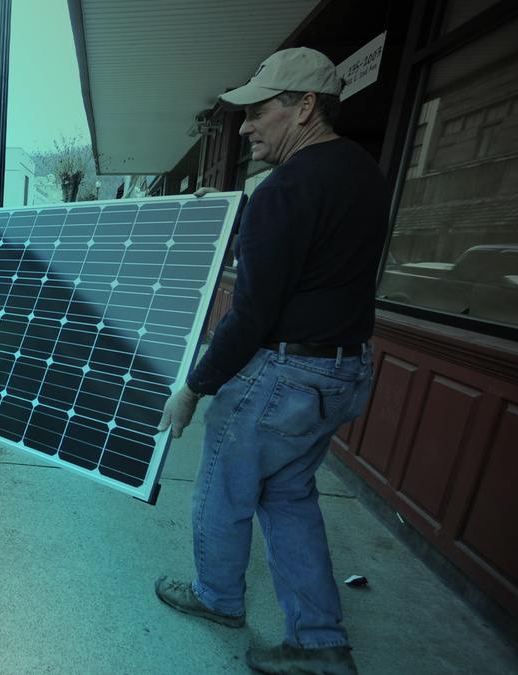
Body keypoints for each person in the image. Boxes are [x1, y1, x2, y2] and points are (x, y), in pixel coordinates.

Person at [154, 48, 389, 675]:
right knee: (288, 495)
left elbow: (251, 315)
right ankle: (321, 645)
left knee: (224, 492)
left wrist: (195, 388)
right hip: (344, 373)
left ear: (305, 107)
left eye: (259, 113)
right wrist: (238, 210)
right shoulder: (362, 171)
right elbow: (316, 251)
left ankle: (217, 598)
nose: (246, 127)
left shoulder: (283, 188)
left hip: (284, 376)